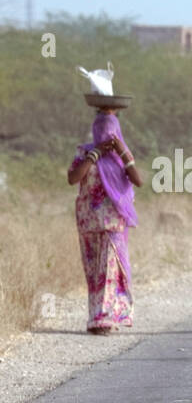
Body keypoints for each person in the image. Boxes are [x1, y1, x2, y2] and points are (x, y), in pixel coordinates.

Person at [66, 111, 141, 335]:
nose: (108, 135)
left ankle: (104, 318)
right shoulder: (84, 152)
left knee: (109, 269)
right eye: (103, 130)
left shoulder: (122, 156)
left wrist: (122, 152)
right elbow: (73, 178)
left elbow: (138, 180)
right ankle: (96, 315)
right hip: (89, 221)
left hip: (113, 222)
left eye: (112, 130)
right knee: (93, 271)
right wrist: (94, 155)